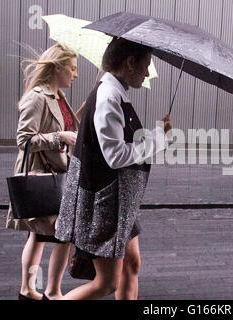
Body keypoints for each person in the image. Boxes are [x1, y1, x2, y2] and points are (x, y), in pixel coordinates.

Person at [55, 37, 172, 300]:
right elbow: (116, 156)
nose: (147, 72)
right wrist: (157, 140)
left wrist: (156, 136)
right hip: (107, 203)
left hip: (118, 202)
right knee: (107, 283)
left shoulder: (114, 92)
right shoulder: (109, 96)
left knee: (132, 265)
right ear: (130, 63)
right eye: (146, 65)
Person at [6, 43, 81, 300]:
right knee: (52, 234)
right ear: (58, 68)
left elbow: (63, 127)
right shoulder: (37, 97)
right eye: (72, 68)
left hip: (59, 175)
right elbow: (24, 140)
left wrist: (73, 122)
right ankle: (46, 291)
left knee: (43, 235)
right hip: (43, 176)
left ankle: (34, 290)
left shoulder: (60, 97)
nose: (75, 74)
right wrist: (59, 136)